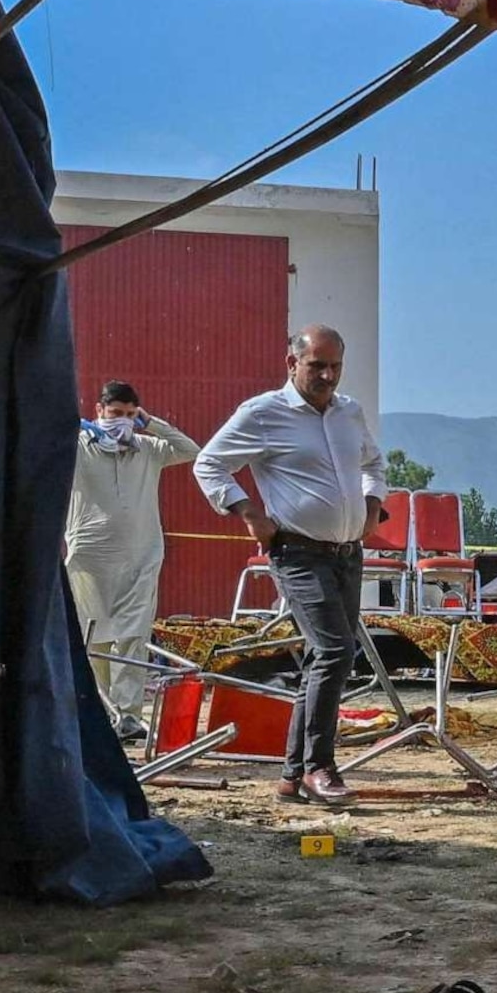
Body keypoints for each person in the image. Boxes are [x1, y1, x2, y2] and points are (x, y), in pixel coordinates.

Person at [194, 329, 387, 804]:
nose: (326, 376)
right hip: (296, 552)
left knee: (328, 657)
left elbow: (374, 462)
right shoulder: (263, 414)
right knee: (334, 651)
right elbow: (209, 464)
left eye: (334, 367)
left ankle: (292, 774)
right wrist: (246, 511)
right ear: (291, 363)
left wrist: (373, 505)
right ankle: (320, 767)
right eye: (316, 365)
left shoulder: (349, 411)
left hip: (346, 553)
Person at [65, 380, 200, 734]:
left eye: (128, 414)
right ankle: (98, 712)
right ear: (99, 411)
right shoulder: (79, 446)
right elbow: (43, 442)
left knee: (133, 636)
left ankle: (127, 716)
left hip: (141, 557)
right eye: (114, 413)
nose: (121, 421)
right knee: (92, 637)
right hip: (88, 558)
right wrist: (76, 426)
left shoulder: (148, 448)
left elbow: (191, 450)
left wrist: (149, 422)